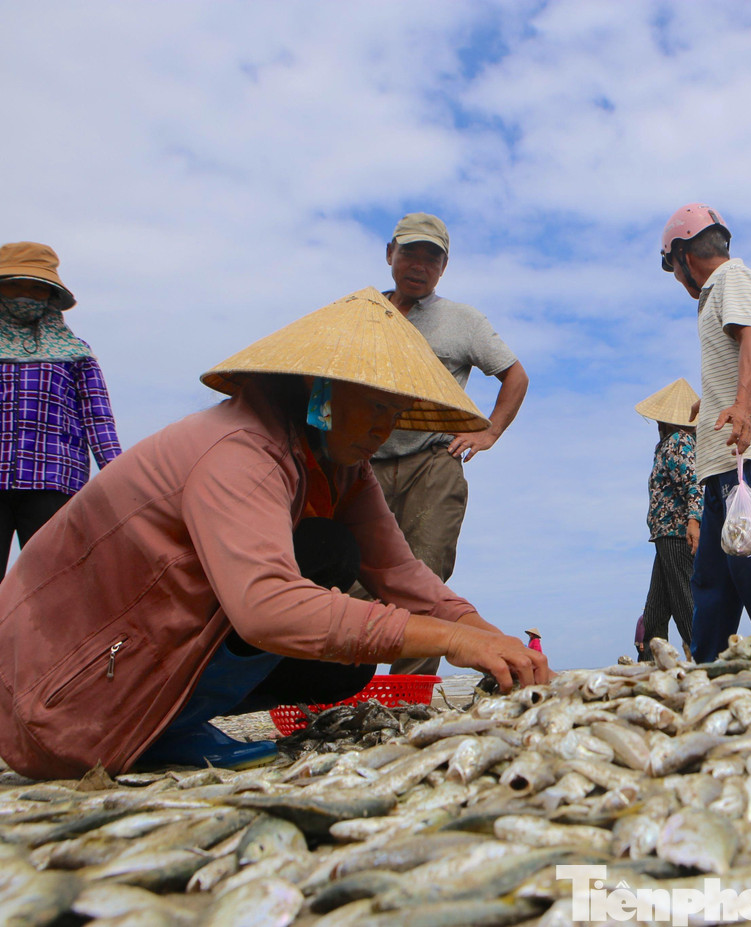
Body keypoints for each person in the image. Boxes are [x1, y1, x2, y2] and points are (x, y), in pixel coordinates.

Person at [0, 288, 550, 779]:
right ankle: (159, 727)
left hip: (133, 661)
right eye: (376, 406)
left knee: (345, 650)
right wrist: (451, 641)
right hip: (55, 705)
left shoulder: (339, 465)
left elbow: (398, 571)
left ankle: (173, 721)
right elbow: (267, 608)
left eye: (397, 412)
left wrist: (485, 637)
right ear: (321, 389)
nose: (385, 428)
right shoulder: (241, 450)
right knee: (323, 555)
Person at [372, 213, 530, 676]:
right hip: (365, 463)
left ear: (443, 268)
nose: (419, 266)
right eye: (410, 253)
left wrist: (490, 431)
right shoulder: (363, 312)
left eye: (432, 258)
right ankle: (336, 690)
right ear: (390, 254)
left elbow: (515, 375)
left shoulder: (462, 320)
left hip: (433, 461)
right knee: (350, 575)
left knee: (425, 575)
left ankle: (410, 691)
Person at [661, 203, 751, 663]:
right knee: (713, 585)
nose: (677, 279)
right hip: (720, 463)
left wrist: (742, 406)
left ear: (684, 255)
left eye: (672, 266)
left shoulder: (731, 278)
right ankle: (705, 673)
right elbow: (734, 355)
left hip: (747, 454)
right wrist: (712, 401)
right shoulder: (716, 294)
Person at [0, 242, 122, 579]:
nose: (25, 295)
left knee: (52, 579)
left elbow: (98, 419)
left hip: (54, 478)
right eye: (15, 285)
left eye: (36, 288)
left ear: (50, 296)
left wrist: (119, 475)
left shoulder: (75, 354)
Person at [635, 378, 703, 657]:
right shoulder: (670, 444)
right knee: (655, 610)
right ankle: (651, 661)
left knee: (684, 602)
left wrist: (694, 521)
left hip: (676, 534)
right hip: (665, 535)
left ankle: (705, 658)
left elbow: (693, 484)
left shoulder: (678, 442)